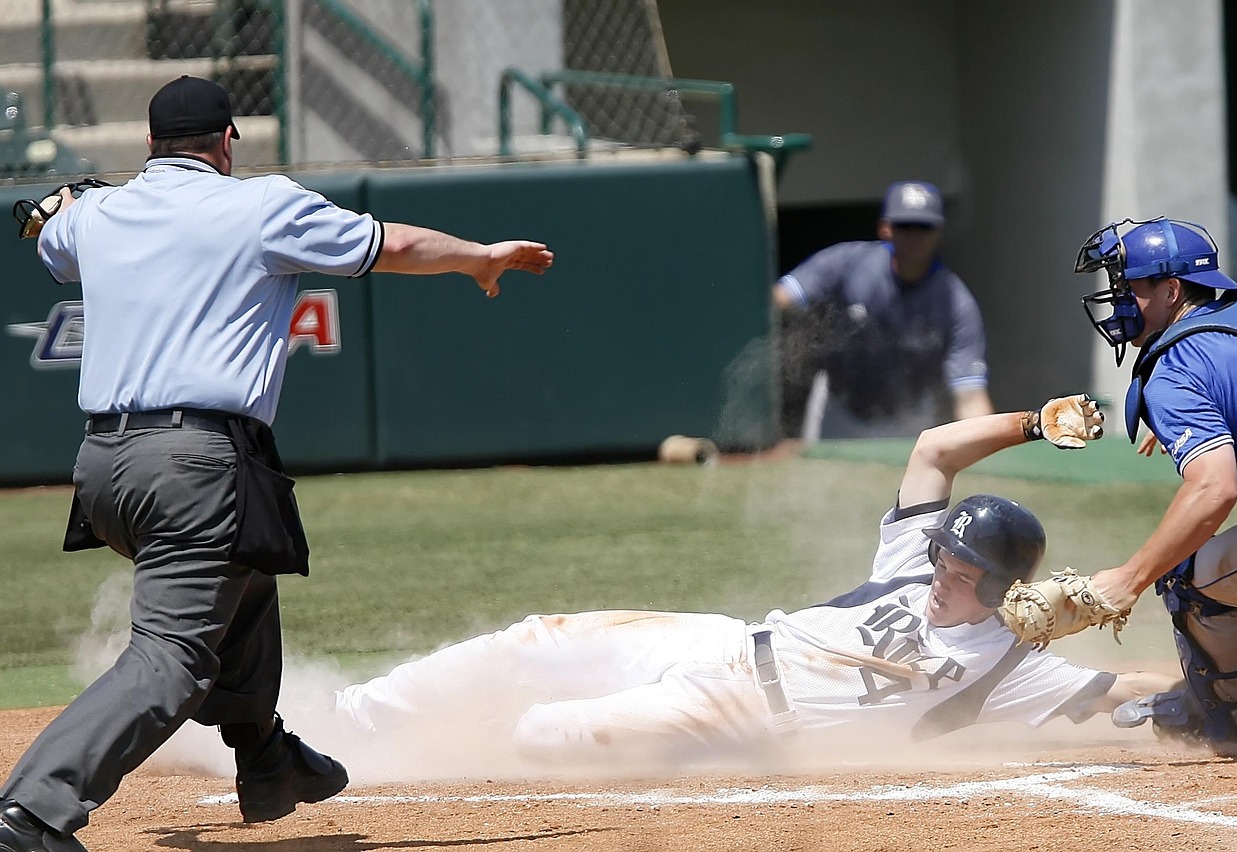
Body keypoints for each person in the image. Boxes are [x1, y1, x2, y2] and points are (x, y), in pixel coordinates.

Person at [0, 75, 553, 852]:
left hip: (103, 469)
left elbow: (51, 235)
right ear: (228, 142)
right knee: (172, 658)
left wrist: (63, 207)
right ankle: (31, 811)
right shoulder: (260, 204)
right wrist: (478, 258)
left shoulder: (98, 214)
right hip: (196, 462)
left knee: (247, 573)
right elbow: (389, 244)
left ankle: (266, 759)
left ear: (150, 145)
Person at [329, 395, 1176, 770]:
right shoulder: (907, 572)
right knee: (531, 641)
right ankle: (348, 722)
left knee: (543, 737)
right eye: (942, 561)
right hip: (725, 641)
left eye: (963, 574)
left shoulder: (1010, 666)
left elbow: (1123, 687)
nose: (942, 578)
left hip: (740, 715)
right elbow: (931, 450)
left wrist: (1220, 689)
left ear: (1001, 587)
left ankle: (440, 746)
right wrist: (1033, 423)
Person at [1071, 216, 1237, 755]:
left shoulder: (1175, 370)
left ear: (1171, 290)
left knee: (1184, 572)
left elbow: (1214, 491)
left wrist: (1131, 577)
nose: (1118, 301)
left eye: (1130, 289)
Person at [773, 180, 995, 441]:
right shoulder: (847, 262)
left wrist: (989, 456)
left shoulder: (956, 302)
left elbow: (969, 394)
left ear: (939, 231)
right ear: (885, 228)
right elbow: (780, 298)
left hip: (910, 422)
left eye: (924, 226)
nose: (915, 235)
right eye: (905, 225)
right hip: (839, 413)